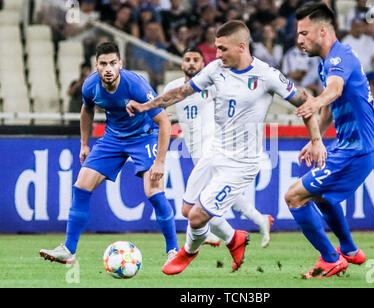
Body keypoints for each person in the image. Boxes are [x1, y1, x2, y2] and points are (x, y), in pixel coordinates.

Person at [126, 20, 326, 275]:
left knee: (197, 217)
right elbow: (181, 92)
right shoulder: (215, 69)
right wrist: (146, 106)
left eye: (222, 48)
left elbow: (304, 101)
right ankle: (235, 240)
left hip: (242, 162)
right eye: (216, 49)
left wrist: (316, 140)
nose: (217, 54)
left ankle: (187, 252)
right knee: (187, 210)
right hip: (215, 152)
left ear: (241, 46)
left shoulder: (266, 75)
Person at [39, 42, 179, 265]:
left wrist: (160, 161)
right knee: (81, 185)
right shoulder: (90, 86)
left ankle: (173, 250)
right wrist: (84, 144)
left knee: (153, 191)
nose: (108, 68)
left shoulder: (135, 85)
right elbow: (87, 109)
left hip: (145, 135)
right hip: (114, 137)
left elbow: (164, 121)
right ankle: (69, 250)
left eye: (113, 63)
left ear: (120, 64)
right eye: (103, 63)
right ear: (96, 66)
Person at [286, 3, 374, 278]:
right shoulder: (326, 62)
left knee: (294, 197)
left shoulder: (340, 59)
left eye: (304, 33)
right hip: (351, 145)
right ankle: (350, 250)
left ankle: (331, 259)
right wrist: (317, 138)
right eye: (298, 33)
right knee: (322, 197)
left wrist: (314, 102)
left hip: (358, 149)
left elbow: (335, 89)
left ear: (323, 31)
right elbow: (333, 105)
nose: (299, 40)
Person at [165, 47, 274, 248]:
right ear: (181, 64)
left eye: (195, 59)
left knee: (198, 204)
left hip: (213, 149)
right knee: (225, 196)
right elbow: (177, 114)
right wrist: (170, 121)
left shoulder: (213, 86)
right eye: (187, 59)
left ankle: (211, 234)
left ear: (202, 64)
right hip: (195, 152)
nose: (190, 63)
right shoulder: (173, 88)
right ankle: (259, 220)